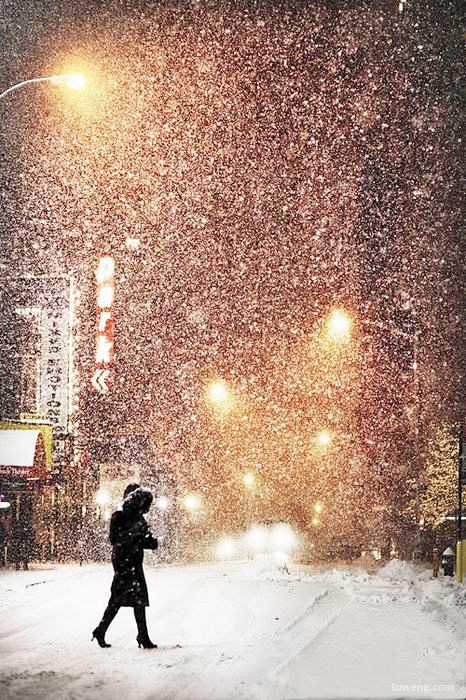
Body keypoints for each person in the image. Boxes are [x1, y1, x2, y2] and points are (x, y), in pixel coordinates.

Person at [92, 484, 158, 649]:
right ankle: (102, 630)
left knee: (138, 601)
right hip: (123, 563)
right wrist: (134, 535)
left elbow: (141, 541)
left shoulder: (140, 520)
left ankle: (142, 635)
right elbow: (115, 539)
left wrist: (150, 542)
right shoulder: (119, 517)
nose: (146, 510)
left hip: (135, 563)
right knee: (117, 600)